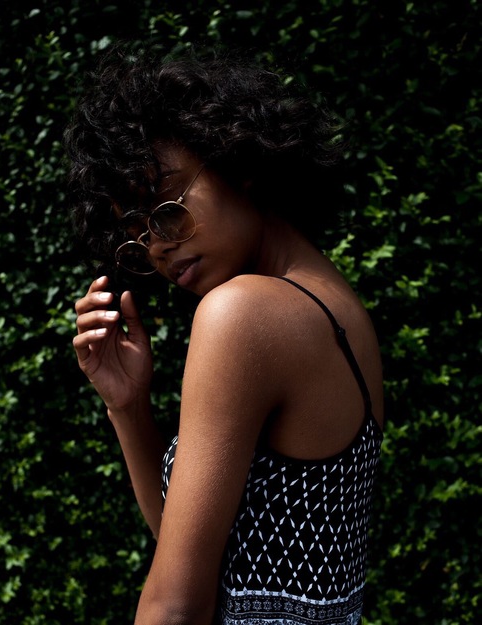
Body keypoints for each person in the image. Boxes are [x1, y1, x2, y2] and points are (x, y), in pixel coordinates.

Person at [64, 42, 384, 625]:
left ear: (237, 159)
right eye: (138, 236)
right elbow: (200, 563)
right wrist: (128, 408)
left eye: (166, 206)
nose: (157, 246)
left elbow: (176, 606)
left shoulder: (242, 312)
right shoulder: (332, 305)